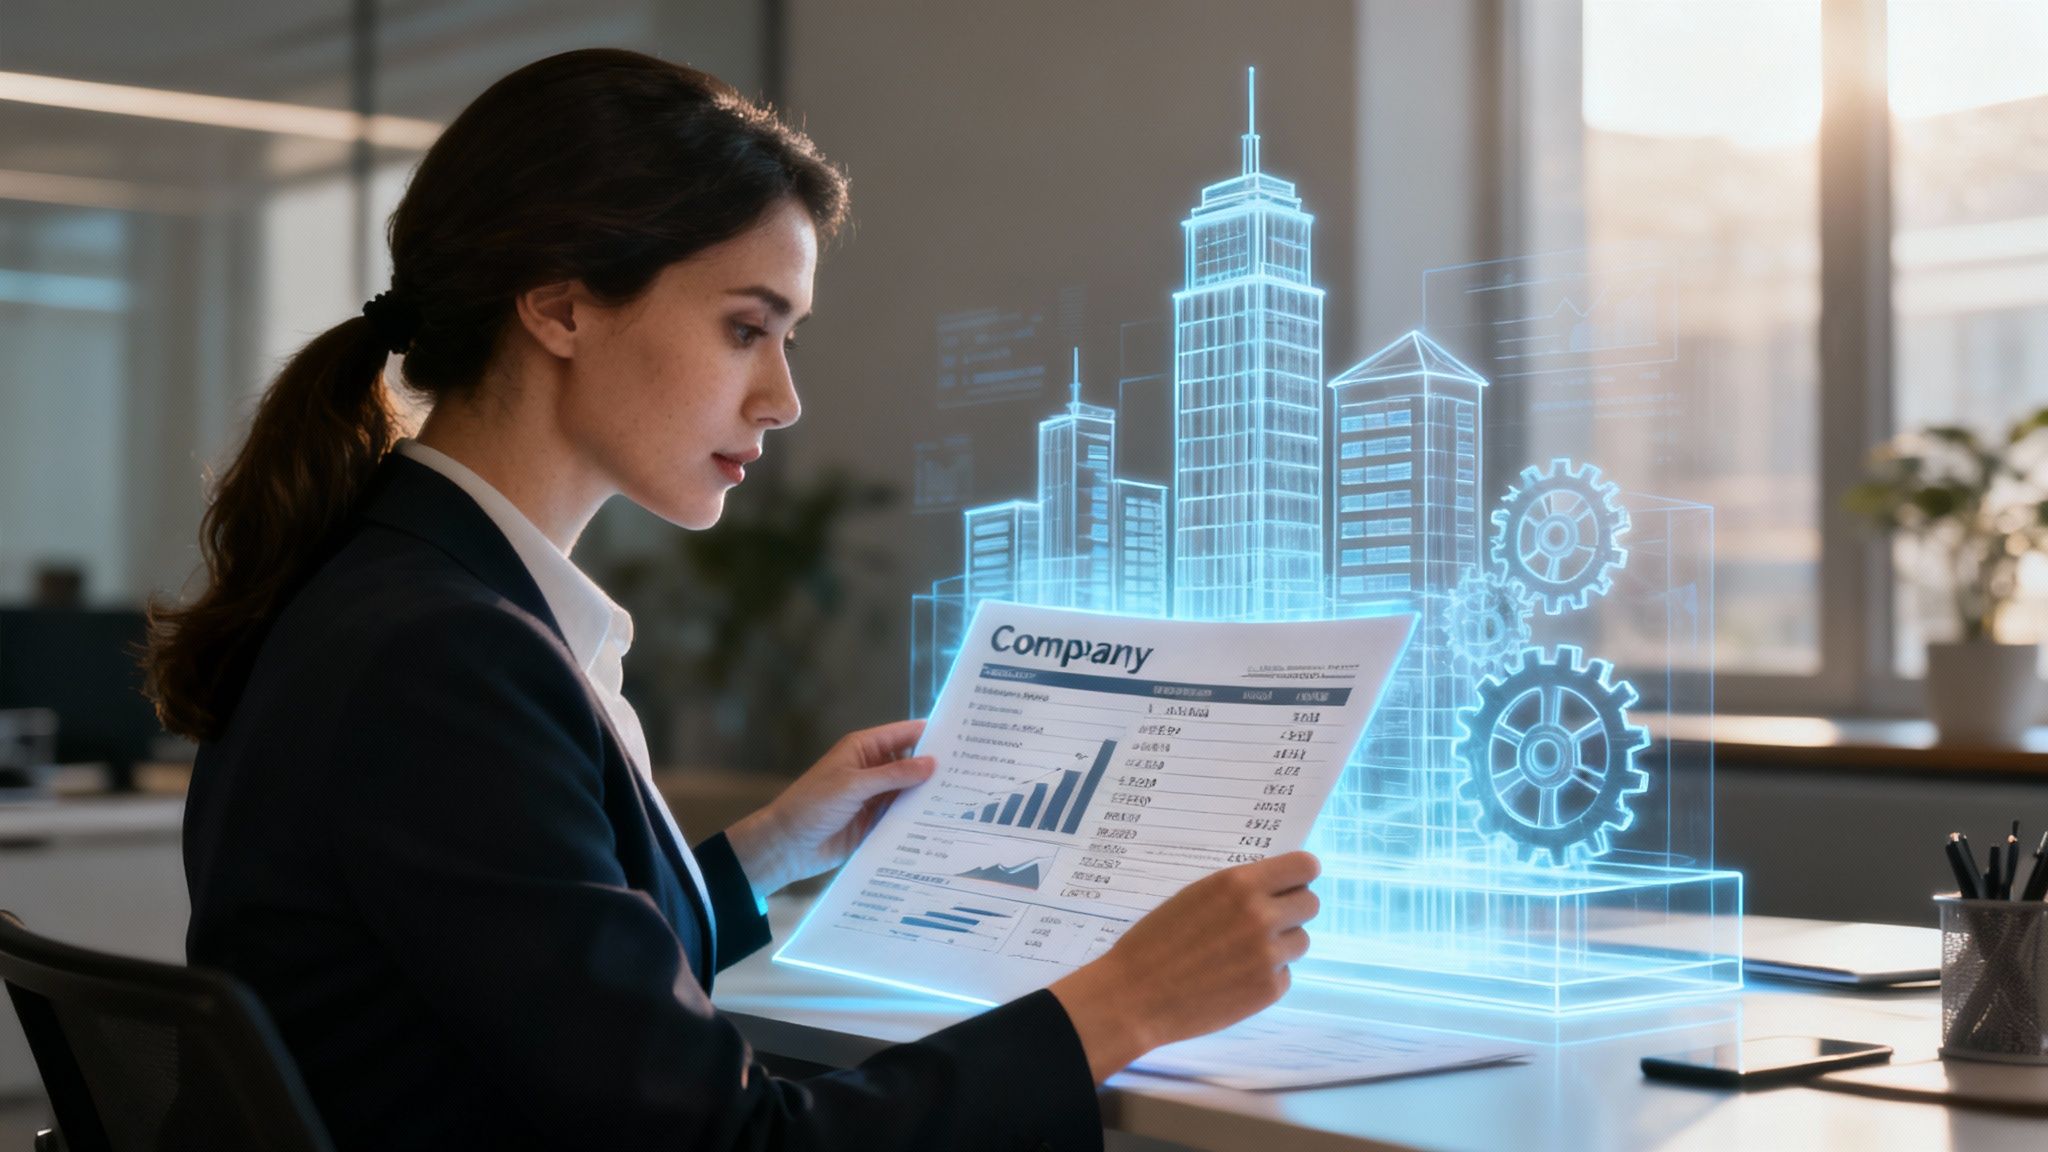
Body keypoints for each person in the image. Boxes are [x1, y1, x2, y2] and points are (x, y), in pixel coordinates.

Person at [144, 48, 1319, 1152]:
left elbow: (532, 981)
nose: (782, 397)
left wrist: (766, 852)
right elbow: (723, 1140)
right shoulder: (445, 653)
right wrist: (1124, 1000)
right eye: (744, 328)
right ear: (558, 308)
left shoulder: (409, 588)